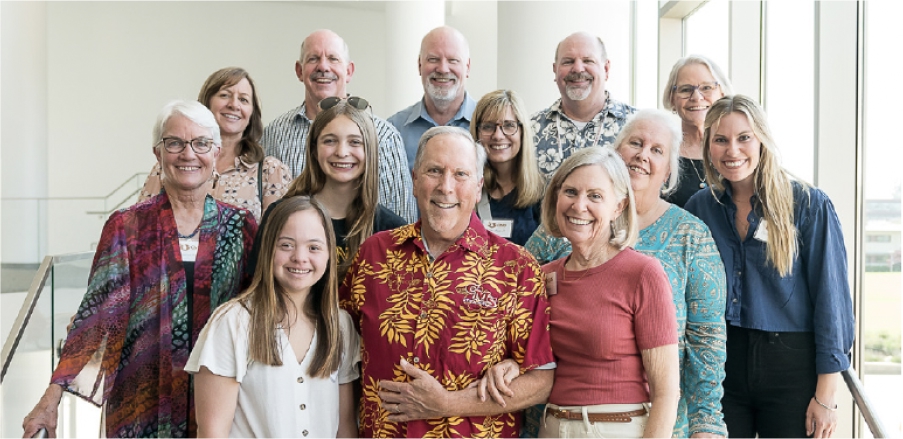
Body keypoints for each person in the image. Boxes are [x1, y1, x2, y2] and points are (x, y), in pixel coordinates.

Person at [22, 100, 257, 438]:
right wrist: (51, 397)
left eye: (201, 143)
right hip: (142, 407)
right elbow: (97, 317)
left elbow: (261, 313)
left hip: (221, 405)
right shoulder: (127, 226)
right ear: (157, 153)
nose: (188, 154)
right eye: (174, 143)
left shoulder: (241, 227)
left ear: (216, 152)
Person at [339, 126, 555, 438]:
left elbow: (540, 381)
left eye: (461, 174)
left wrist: (447, 404)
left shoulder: (515, 267)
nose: (446, 186)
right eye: (434, 171)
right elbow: (340, 352)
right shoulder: (373, 255)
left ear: (478, 186)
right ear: (414, 179)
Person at [523, 110, 728, 437]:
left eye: (657, 150)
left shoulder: (688, 237)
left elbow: (707, 344)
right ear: (616, 152)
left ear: (669, 171)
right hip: (555, 418)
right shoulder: (562, 230)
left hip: (650, 422)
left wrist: (708, 424)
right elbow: (519, 299)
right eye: (635, 143)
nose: (642, 155)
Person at [684, 95, 854, 439]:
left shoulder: (807, 204)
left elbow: (832, 303)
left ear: (762, 139)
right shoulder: (700, 208)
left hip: (792, 368)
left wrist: (827, 396)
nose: (733, 150)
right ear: (708, 148)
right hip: (721, 367)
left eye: (744, 137)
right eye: (721, 140)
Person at [518, 147, 680, 437]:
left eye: (595, 196)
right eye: (570, 192)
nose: (579, 206)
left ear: (618, 206)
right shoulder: (543, 277)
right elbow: (530, 364)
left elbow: (667, 392)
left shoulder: (643, 274)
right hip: (553, 427)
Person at [187, 196, 360, 438]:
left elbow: (346, 429)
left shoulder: (339, 325)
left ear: (329, 254)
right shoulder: (232, 322)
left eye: (314, 247)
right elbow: (212, 432)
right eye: (286, 245)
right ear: (268, 249)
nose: (300, 257)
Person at [262, 29, 417, 223]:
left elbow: (403, 221)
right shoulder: (275, 133)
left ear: (349, 71)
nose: (323, 66)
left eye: (333, 59)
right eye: (313, 59)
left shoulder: (384, 135)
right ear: (299, 71)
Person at [250, 99, 407, 279]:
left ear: (370, 151)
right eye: (330, 141)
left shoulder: (391, 230)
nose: (341, 152)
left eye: (355, 142)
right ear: (314, 149)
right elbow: (257, 291)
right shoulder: (279, 216)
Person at [138, 67, 292, 221]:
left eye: (243, 99)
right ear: (207, 103)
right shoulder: (169, 166)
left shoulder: (270, 172)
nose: (234, 105)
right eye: (225, 95)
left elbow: (278, 235)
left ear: (252, 113)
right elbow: (140, 224)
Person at [532, 32, 636, 178]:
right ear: (555, 70)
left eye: (588, 61)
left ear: (606, 69)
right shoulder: (529, 131)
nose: (578, 69)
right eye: (568, 61)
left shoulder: (636, 126)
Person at [388, 26, 477, 171]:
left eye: (453, 60)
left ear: (467, 67)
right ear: (419, 65)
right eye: (433, 59)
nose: (443, 69)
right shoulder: (393, 131)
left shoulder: (491, 127)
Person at [470, 90, 544, 246]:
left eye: (509, 125)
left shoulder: (543, 193)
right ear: (476, 132)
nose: (498, 135)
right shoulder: (466, 188)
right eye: (488, 126)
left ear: (522, 132)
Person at [661, 55, 734, 207]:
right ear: (672, 98)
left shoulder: (737, 151)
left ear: (722, 93)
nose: (696, 97)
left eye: (706, 88)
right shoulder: (659, 152)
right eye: (685, 89)